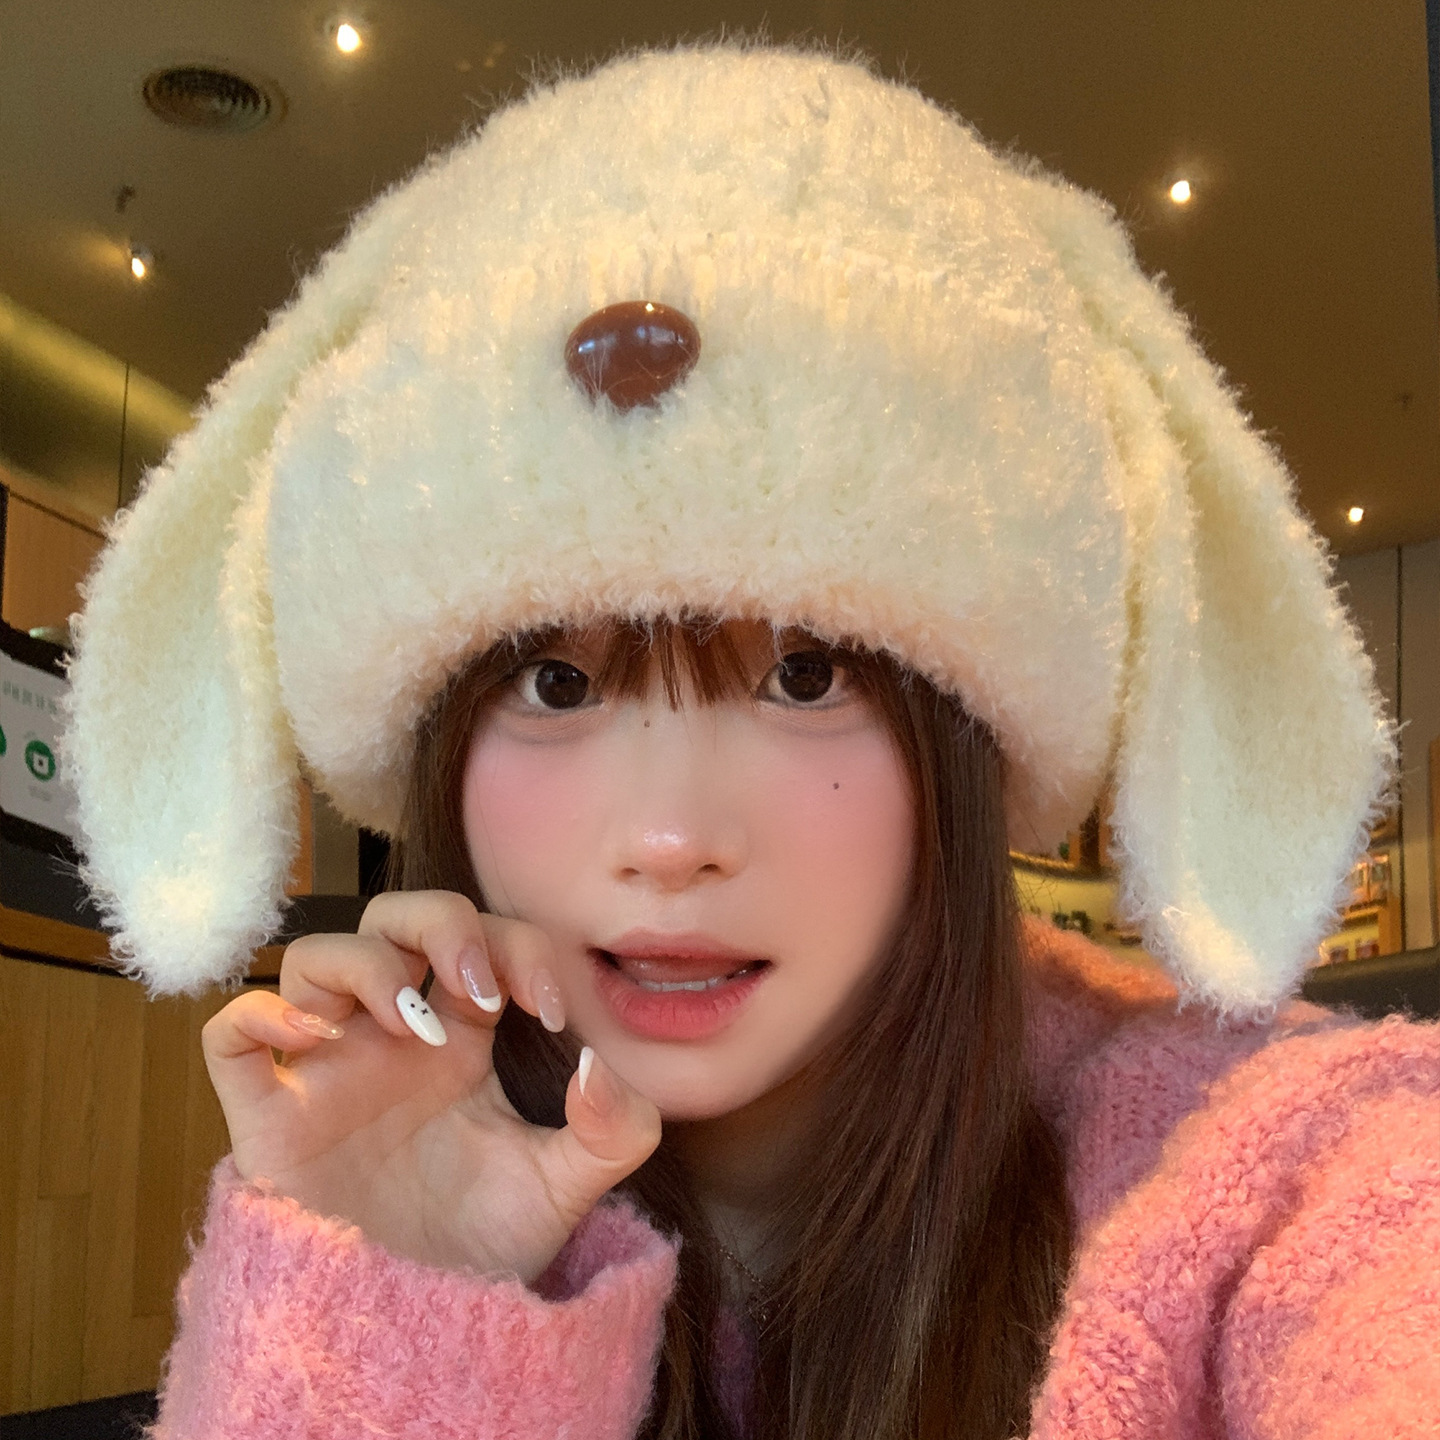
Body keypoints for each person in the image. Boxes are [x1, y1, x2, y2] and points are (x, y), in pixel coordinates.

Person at [63, 43, 1436, 1440]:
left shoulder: (1290, 1173)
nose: (670, 840)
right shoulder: (384, 1159)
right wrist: (383, 1310)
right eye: (554, 683)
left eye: (802, 674)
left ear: (968, 739)